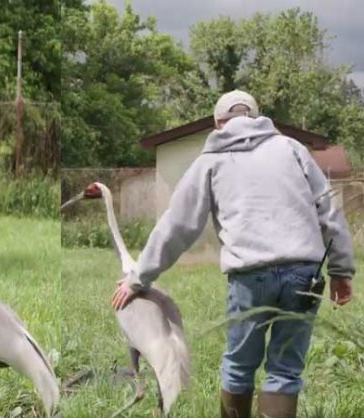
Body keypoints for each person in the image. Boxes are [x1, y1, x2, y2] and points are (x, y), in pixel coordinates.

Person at [111, 90, 354, 418]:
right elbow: (329, 212)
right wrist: (341, 270)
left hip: (250, 277)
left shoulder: (210, 161)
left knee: (239, 367)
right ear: (256, 117)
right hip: (304, 272)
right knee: (285, 371)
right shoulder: (291, 149)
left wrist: (138, 278)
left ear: (217, 123)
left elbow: (176, 227)